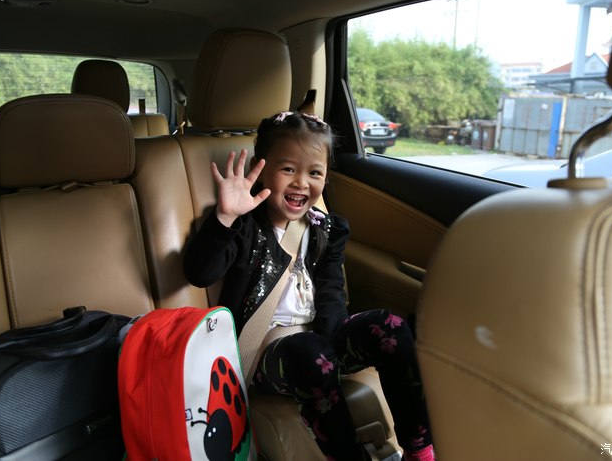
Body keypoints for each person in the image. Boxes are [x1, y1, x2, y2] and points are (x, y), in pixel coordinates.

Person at [183, 111, 434, 461]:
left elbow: (331, 292)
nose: (302, 183)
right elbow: (200, 273)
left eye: (315, 173)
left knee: (390, 327)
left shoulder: (325, 229)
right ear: (260, 169)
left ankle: (419, 450)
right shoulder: (246, 226)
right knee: (311, 353)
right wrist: (225, 217)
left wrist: (334, 341)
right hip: (267, 353)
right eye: (288, 169)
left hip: (318, 341)